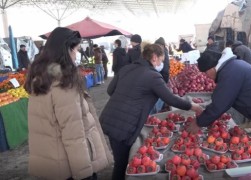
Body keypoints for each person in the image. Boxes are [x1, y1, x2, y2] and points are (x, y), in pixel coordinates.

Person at [99, 44, 203, 180]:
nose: (161, 64)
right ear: (154, 58)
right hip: (125, 125)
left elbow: (110, 90)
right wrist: (193, 106)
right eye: (161, 60)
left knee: (120, 158)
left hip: (109, 118)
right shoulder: (153, 76)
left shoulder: (126, 68)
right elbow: (171, 99)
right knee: (122, 164)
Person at [187, 49, 251, 180]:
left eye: (206, 74)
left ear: (211, 68)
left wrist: (199, 122)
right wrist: (208, 109)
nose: (208, 77)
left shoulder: (230, 72)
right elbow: (222, 97)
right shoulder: (233, 65)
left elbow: (220, 104)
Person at [24, 27, 108, 180]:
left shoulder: (40, 77)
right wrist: (84, 173)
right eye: (76, 49)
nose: (76, 54)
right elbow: (73, 133)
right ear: (67, 50)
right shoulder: (63, 83)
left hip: (50, 161)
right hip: (69, 166)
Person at [151, 37, 170, 114]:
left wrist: (164, 81)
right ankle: (155, 115)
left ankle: (154, 114)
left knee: (159, 98)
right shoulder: (161, 52)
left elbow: (165, 69)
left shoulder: (163, 52)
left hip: (160, 79)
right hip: (158, 80)